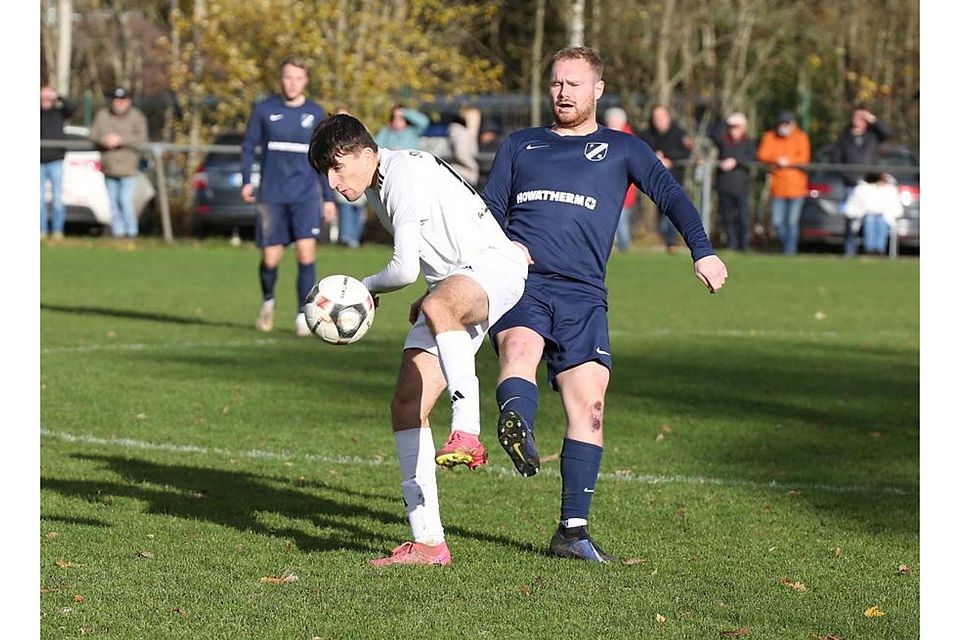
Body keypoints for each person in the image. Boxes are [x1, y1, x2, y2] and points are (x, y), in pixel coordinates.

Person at [481, 46, 728, 562]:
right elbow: (485, 215)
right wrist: (502, 250)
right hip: (521, 283)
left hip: (584, 294)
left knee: (590, 405)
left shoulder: (623, 148)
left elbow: (672, 195)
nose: (563, 92)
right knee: (519, 351)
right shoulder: (520, 145)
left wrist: (701, 250)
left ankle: (572, 533)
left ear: (596, 90)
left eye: (573, 84)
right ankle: (516, 423)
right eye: (555, 83)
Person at [307, 114, 527, 566]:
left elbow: (404, 268)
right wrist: (435, 294)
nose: (332, 182)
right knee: (407, 403)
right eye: (325, 173)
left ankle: (467, 429)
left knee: (438, 306)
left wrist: (367, 287)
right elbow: (434, 251)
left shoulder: (402, 172)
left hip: (494, 269)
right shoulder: (378, 185)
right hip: (455, 282)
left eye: (337, 167)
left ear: (367, 153)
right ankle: (428, 542)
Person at [240, 58, 337, 336]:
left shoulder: (315, 113)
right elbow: (248, 147)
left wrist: (327, 197)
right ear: (280, 79)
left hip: (305, 195)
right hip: (272, 196)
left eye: (298, 78)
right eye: (287, 77)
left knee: (306, 254)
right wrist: (247, 181)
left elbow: (323, 158)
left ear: (306, 80)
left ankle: (302, 316)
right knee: (270, 259)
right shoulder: (265, 111)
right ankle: (268, 301)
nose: (292, 83)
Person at [90, 87, 148, 238]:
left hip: (128, 167)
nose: (119, 103)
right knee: (113, 202)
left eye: (122, 100)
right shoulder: (102, 115)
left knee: (125, 201)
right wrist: (103, 140)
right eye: (116, 100)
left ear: (128, 101)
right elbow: (93, 134)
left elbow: (142, 138)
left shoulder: (137, 116)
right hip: (109, 166)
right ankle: (118, 233)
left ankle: (131, 232)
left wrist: (121, 140)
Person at [639, 104, 694, 252]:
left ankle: (671, 241)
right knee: (661, 213)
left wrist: (669, 158)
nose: (658, 121)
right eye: (656, 118)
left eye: (661, 117)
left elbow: (686, 152)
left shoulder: (679, 133)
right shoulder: (646, 134)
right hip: (653, 182)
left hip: (675, 179)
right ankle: (667, 240)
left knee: (672, 212)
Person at [755, 111, 810, 255]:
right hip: (778, 187)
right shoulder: (770, 136)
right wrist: (777, 159)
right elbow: (762, 154)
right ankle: (784, 248)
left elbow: (804, 158)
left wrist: (788, 161)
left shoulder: (801, 137)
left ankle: (789, 251)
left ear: (793, 124)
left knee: (792, 223)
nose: (784, 126)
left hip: (797, 188)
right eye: (782, 123)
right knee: (778, 223)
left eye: (787, 123)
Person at [708, 112, 756, 251]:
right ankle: (732, 244)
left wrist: (735, 162)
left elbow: (752, 156)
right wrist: (725, 121)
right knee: (727, 218)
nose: (733, 129)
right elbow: (712, 133)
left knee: (742, 218)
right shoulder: (724, 141)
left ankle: (744, 245)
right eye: (731, 126)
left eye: (736, 126)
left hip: (741, 187)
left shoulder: (749, 142)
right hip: (724, 185)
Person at [40, 85, 75, 240]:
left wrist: (58, 96)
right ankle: (41, 230)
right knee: (38, 200)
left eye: (49, 97)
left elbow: (72, 106)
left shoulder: (59, 113)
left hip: (56, 160)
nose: (46, 100)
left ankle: (57, 231)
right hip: (38, 162)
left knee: (57, 199)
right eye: (43, 97)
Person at [831, 104, 892, 190]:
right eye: (856, 115)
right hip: (850, 185)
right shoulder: (843, 138)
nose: (858, 119)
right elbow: (835, 160)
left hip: (870, 184)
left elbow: (887, 133)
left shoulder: (873, 136)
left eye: (862, 117)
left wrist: (872, 119)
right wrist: (848, 177)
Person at [603, 107, 639, 252]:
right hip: (606, 188)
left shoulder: (629, 140)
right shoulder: (604, 137)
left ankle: (624, 246)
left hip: (623, 188)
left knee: (621, 220)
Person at [842, 172, 903, 255]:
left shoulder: (891, 190)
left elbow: (897, 209)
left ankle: (880, 249)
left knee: (880, 220)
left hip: (885, 219)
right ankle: (870, 249)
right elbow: (852, 206)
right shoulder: (862, 189)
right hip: (864, 219)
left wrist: (890, 215)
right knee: (870, 219)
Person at [332, 106, 367, 248]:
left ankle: (355, 239)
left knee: (358, 208)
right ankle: (347, 238)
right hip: (343, 175)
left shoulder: (360, 132)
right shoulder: (332, 136)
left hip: (359, 176)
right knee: (345, 205)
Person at [446, 106, 481, 186]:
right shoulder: (461, 133)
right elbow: (461, 154)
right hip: (462, 174)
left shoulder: (463, 132)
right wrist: (474, 167)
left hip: (462, 174)